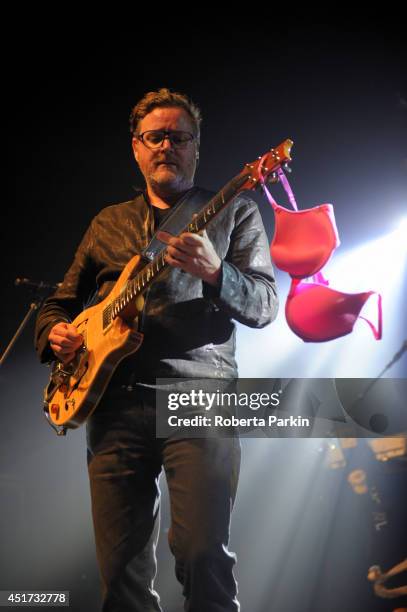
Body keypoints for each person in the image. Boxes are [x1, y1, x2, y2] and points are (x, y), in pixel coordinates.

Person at [34, 88, 279, 612]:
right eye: (155, 137)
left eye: (178, 136)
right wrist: (54, 333)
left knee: (202, 554)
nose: (166, 145)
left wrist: (216, 272)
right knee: (120, 572)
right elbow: (59, 303)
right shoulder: (107, 223)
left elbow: (264, 305)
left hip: (198, 394)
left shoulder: (235, 211)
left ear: (196, 147)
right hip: (113, 401)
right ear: (136, 148)